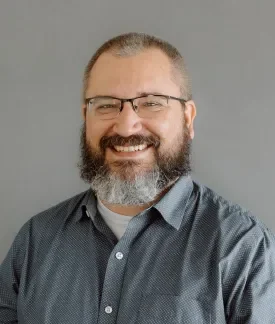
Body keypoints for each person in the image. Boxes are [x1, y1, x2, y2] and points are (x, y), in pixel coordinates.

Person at [0, 32, 275, 324]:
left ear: (187, 118)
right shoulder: (35, 241)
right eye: (106, 104)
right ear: (86, 117)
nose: (127, 126)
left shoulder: (242, 247)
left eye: (152, 103)